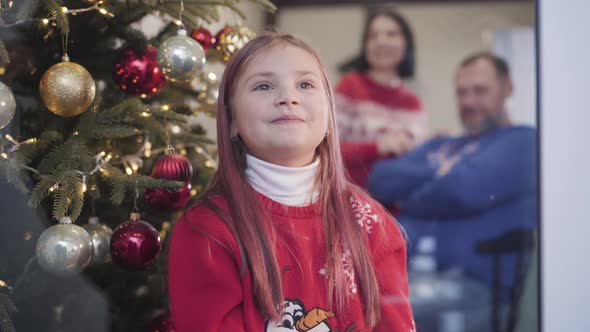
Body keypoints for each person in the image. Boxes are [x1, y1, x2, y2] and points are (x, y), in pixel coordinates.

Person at [168, 33, 415, 332]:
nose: (288, 97)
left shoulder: (374, 224)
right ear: (231, 120)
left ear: (329, 117)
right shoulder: (207, 230)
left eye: (305, 85)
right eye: (263, 86)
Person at [367, 52, 537, 301]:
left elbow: (463, 189)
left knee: (373, 313)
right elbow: (380, 179)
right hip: (405, 276)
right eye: (461, 92)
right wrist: (441, 173)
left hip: (473, 287)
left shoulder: (522, 140)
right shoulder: (442, 144)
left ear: (507, 88)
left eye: (480, 91)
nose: (468, 101)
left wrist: (409, 200)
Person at [336, 9, 426, 188]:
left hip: (397, 202)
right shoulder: (348, 87)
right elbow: (327, 149)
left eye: (391, 34)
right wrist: (377, 147)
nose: (381, 41)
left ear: (406, 44)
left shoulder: (414, 103)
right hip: (351, 196)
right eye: (373, 35)